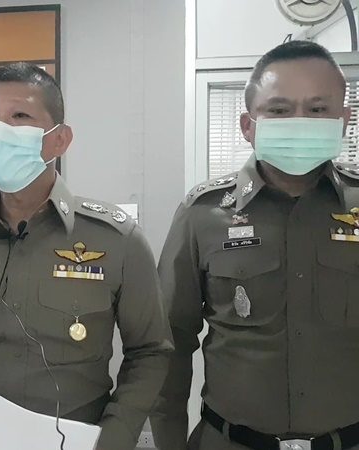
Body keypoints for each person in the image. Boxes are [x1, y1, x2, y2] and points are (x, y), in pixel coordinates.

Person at [0, 62, 173, 450]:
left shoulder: (117, 240)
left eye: (20, 117)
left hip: (81, 440)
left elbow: (150, 352)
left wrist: (115, 435)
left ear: (60, 139)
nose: (0, 132)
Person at [150, 40, 359, 450]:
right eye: (279, 110)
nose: (300, 121)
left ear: (344, 120)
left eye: (318, 109)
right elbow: (168, 343)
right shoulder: (202, 214)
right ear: (248, 126)